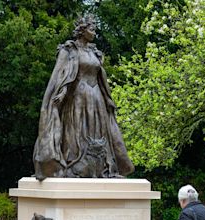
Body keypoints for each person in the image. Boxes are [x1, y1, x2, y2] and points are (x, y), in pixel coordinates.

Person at [32, 15, 134, 181]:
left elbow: (101, 77)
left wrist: (108, 98)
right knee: (77, 131)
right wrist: (61, 92)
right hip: (78, 96)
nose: (94, 33)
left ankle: (100, 167)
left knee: (99, 131)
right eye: (91, 29)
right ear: (82, 30)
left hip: (97, 97)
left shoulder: (94, 52)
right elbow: (58, 76)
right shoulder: (69, 50)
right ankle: (75, 165)